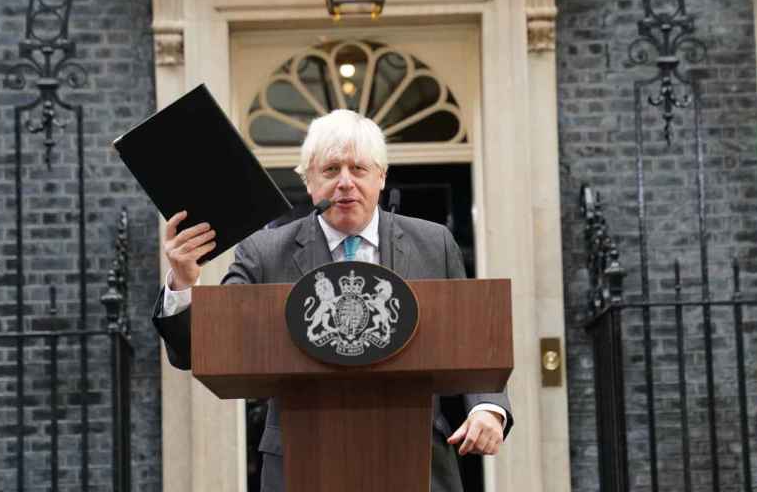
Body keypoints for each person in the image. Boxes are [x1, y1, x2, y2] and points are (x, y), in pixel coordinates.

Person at [152, 109, 513, 492]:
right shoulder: (265, 251)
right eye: (330, 170)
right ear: (308, 181)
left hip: (416, 458)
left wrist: (487, 407)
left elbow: (470, 338)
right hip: (300, 461)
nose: (345, 183)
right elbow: (203, 346)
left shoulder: (433, 242)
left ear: (381, 177)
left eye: (358, 169)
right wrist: (184, 281)